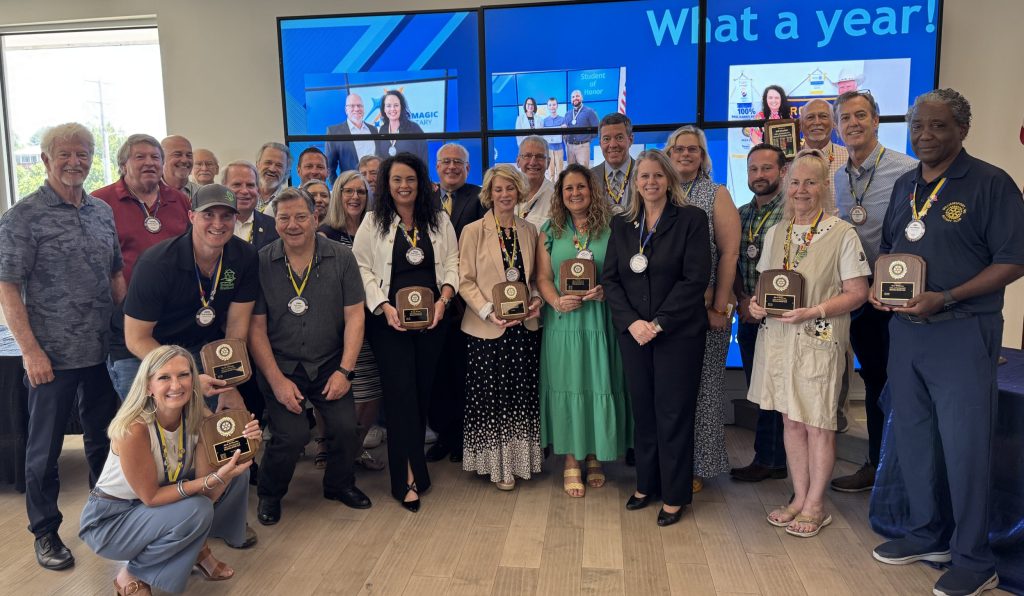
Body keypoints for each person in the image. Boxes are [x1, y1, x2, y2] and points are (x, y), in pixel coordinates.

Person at [871, 89, 1024, 596]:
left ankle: (975, 559)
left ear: (962, 129)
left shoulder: (990, 183)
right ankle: (925, 534)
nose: (925, 135)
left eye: (937, 126)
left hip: (962, 330)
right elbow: (892, 249)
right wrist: (880, 288)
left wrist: (948, 296)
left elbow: (1013, 261)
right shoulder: (906, 185)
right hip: (906, 333)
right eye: (917, 126)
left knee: (965, 448)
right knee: (914, 438)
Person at [0, 123, 123, 570]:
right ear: (46, 159)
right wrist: (30, 351)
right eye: (65, 154)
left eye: (83, 153)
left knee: (104, 441)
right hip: (50, 356)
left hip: (102, 351)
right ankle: (45, 531)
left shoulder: (101, 212)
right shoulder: (23, 216)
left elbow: (115, 274)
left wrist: (128, 330)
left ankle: (104, 515)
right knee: (44, 451)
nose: (76, 162)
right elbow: (8, 287)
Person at [747, 149, 870, 538]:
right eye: (795, 182)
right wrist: (756, 305)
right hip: (779, 341)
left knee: (818, 424)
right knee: (790, 419)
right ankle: (799, 497)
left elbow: (858, 293)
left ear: (824, 187)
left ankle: (816, 505)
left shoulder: (841, 233)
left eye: (810, 182)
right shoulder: (776, 232)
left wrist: (815, 310)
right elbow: (767, 286)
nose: (801, 190)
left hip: (819, 340)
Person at [79, 345, 260, 595]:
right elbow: (152, 497)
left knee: (235, 473)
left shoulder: (198, 417)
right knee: (196, 508)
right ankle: (132, 573)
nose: (176, 385)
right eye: (164, 377)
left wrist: (246, 444)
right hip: (112, 519)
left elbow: (206, 495)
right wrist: (212, 479)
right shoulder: (134, 428)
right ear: (148, 386)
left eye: (184, 375)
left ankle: (198, 549)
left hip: (154, 507)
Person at [248, 187, 371, 525]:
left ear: (315, 218)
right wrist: (277, 381)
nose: (293, 225)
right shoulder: (261, 262)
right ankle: (270, 493)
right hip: (282, 365)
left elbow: (355, 317)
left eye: (301, 216)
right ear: (275, 223)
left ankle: (339, 484)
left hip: (330, 362)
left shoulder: (341, 258)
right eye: (284, 218)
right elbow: (255, 328)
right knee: (291, 436)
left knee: (346, 428)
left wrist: (345, 371)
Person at [603, 149, 711, 527]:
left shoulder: (691, 219)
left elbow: (695, 278)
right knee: (644, 412)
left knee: (673, 413)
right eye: (644, 176)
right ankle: (646, 484)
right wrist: (633, 323)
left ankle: (675, 495)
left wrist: (660, 322)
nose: (651, 182)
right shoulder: (622, 225)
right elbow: (611, 280)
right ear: (635, 183)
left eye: (658, 176)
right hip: (635, 335)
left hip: (677, 334)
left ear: (669, 180)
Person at [351, 152, 459, 511]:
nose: (404, 186)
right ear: (386, 184)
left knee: (421, 395)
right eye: (396, 179)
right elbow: (362, 269)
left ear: (421, 183)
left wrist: (444, 300)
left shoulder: (438, 219)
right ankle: (406, 477)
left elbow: (453, 262)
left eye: (410, 179)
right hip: (389, 324)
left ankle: (417, 469)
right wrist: (384, 306)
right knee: (400, 396)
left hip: (432, 323)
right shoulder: (373, 221)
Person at [830, 90, 917, 493]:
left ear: (876, 120)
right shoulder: (838, 177)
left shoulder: (907, 170)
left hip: (897, 298)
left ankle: (904, 473)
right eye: (845, 118)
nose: (853, 123)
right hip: (859, 297)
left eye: (860, 115)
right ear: (838, 127)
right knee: (874, 380)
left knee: (903, 383)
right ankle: (876, 465)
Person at [123, 184, 258, 423]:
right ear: (191, 216)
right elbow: (136, 338)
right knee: (157, 422)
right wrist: (189, 378)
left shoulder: (245, 256)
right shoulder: (157, 264)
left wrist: (228, 386)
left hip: (196, 345)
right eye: (208, 215)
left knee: (215, 424)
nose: (218, 224)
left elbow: (236, 327)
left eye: (226, 216)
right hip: (141, 350)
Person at [535, 164, 631, 498]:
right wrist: (556, 302)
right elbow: (542, 277)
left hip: (601, 321)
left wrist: (606, 290)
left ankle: (594, 454)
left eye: (581, 187)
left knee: (598, 384)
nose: (575, 193)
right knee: (568, 386)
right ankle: (571, 458)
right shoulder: (551, 229)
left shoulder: (613, 227)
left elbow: (624, 274)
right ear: (560, 195)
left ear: (592, 190)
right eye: (568, 188)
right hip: (564, 323)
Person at [457, 164, 544, 490]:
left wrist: (536, 301)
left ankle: (522, 462)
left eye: (510, 188)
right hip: (487, 328)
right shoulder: (473, 231)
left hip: (523, 327)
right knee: (490, 397)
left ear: (519, 191)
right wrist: (488, 311)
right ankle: (497, 466)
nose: (505, 194)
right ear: (489, 194)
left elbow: (533, 279)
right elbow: (465, 280)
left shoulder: (529, 230)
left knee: (521, 395)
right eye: (498, 189)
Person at [665, 125, 741, 493]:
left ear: (702, 155)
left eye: (693, 149)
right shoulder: (659, 192)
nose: (685, 154)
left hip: (706, 308)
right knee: (672, 392)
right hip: (665, 311)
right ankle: (672, 462)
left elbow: (729, 253)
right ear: (668, 154)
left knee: (703, 391)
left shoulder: (716, 193)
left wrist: (720, 306)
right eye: (679, 149)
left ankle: (699, 465)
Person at [93, 134, 192, 400]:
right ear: (123, 165)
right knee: (141, 407)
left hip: (174, 320)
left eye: (155, 157)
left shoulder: (180, 200)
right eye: (140, 157)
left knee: (179, 403)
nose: (149, 163)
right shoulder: (100, 203)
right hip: (127, 323)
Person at [730, 144, 789, 483]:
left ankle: (772, 458)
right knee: (760, 388)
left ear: (782, 171)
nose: (759, 175)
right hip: (749, 315)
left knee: (779, 389)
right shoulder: (740, 214)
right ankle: (770, 457)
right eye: (753, 169)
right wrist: (742, 299)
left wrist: (766, 305)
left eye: (766, 168)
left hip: (783, 317)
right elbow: (734, 260)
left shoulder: (792, 212)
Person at [320, 171, 386, 471]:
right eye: (349, 191)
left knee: (372, 391)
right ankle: (333, 452)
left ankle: (354, 450)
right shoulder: (325, 233)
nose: (355, 197)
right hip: (338, 325)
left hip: (373, 320)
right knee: (338, 392)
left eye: (361, 192)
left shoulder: (376, 230)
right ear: (338, 194)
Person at [425, 143, 485, 464]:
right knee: (437, 373)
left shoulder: (480, 198)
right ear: (437, 167)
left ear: (468, 167)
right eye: (445, 161)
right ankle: (444, 436)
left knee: (465, 372)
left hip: (467, 302)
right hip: (430, 299)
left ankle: (465, 438)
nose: (451, 167)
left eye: (457, 162)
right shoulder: (425, 199)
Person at [225, 160, 279, 251]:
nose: (244, 191)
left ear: (258, 190)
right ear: (224, 189)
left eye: (250, 185)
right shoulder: (213, 226)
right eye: (237, 185)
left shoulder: (274, 227)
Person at [326, 93, 378, 185]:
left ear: (363, 108)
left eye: (359, 105)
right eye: (352, 106)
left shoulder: (373, 130)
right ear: (346, 110)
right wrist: (338, 189)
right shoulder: (334, 132)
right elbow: (330, 168)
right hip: (351, 187)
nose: (356, 109)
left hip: (375, 186)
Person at [799, 99, 848, 195]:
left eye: (823, 116)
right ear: (800, 124)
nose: (817, 122)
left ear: (834, 123)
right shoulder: (787, 161)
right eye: (810, 117)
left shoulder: (849, 158)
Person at [590, 113, 636, 214]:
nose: (613, 145)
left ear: (630, 140)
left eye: (619, 137)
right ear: (600, 143)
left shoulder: (644, 173)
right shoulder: (589, 177)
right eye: (606, 139)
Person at [375, 90, 429, 165]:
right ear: (384, 109)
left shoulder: (414, 129)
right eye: (388, 106)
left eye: (396, 105)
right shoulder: (382, 130)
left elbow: (424, 160)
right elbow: (378, 159)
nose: (392, 109)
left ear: (401, 107)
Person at [515, 135, 556, 228]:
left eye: (540, 156)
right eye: (527, 156)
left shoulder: (557, 197)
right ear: (518, 161)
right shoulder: (505, 194)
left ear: (548, 163)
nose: (533, 162)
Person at [564, 90, 599, 167]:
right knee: (571, 171)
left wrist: (586, 138)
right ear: (571, 100)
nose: (575, 98)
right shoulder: (567, 114)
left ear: (582, 98)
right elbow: (565, 130)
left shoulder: (589, 112)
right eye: (573, 97)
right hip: (570, 147)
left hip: (583, 146)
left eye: (577, 96)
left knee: (583, 171)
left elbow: (597, 129)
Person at [256, 142, 292, 212]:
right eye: (268, 162)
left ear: (286, 171)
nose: (272, 169)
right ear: (257, 164)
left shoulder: (290, 202)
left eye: (279, 165)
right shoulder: (242, 197)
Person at [542, 97, 565, 181]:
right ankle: (551, 187)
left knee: (560, 171)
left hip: (559, 148)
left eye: (554, 104)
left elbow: (565, 136)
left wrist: (564, 129)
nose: (552, 107)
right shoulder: (544, 121)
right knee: (550, 171)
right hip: (549, 149)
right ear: (547, 107)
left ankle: (559, 187)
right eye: (550, 105)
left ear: (557, 106)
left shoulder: (562, 119)